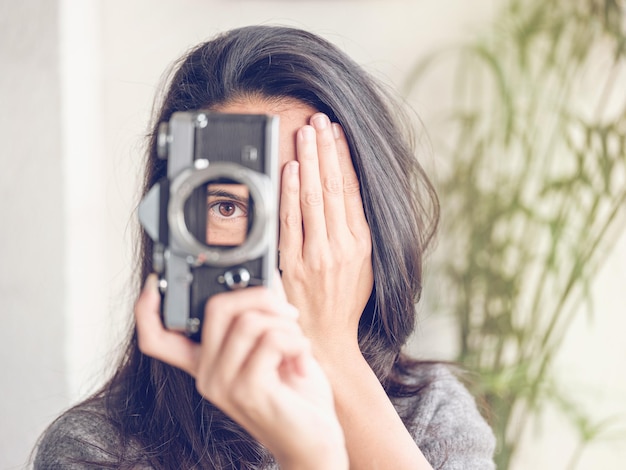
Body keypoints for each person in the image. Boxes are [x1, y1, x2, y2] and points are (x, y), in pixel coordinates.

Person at [34, 25, 495, 469]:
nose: (280, 252)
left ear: (373, 220)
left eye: (310, 211)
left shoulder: (429, 415)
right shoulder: (97, 449)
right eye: (228, 208)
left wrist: (332, 351)